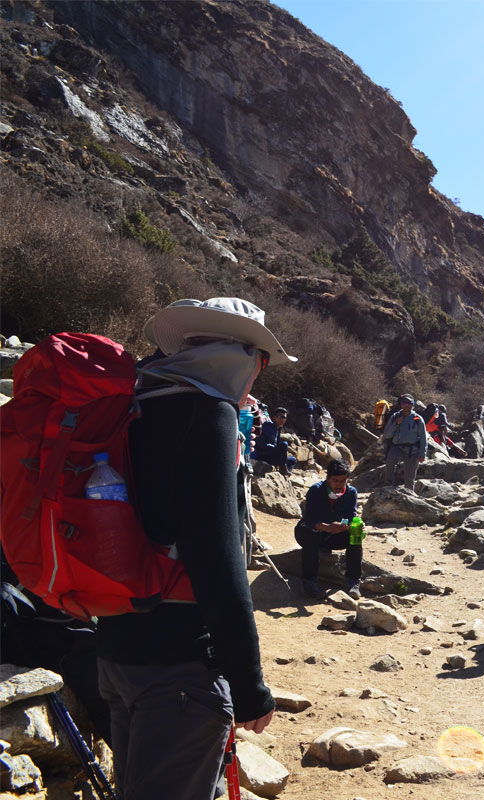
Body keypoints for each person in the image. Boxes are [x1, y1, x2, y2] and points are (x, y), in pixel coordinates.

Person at [98, 297, 293, 800]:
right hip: (180, 668)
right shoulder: (206, 415)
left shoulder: (134, 405)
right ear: (247, 358)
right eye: (263, 363)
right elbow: (218, 563)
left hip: (117, 648)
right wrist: (249, 687)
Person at [294, 459, 363, 600]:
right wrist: (327, 527)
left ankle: (353, 581)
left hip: (334, 535)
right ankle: (309, 582)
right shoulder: (316, 490)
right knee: (311, 533)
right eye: (335, 481)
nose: (339, 485)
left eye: (342, 481)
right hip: (311, 533)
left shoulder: (350, 493)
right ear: (328, 479)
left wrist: (354, 526)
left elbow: (351, 516)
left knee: (356, 535)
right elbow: (308, 519)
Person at [381, 394, 427, 490]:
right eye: (404, 402)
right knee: (390, 459)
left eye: (409, 403)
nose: (407, 405)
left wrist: (422, 453)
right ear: (401, 404)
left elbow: (423, 437)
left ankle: (409, 493)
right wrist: (396, 424)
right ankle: (388, 484)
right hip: (397, 447)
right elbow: (387, 435)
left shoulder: (418, 419)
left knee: (410, 477)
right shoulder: (395, 417)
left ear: (413, 405)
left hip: (412, 450)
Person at [252, 406, 296, 473]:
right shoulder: (267, 427)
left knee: (293, 460)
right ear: (274, 417)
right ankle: (283, 467)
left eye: (284, 417)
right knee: (284, 444)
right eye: (280, 417)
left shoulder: (277, 429)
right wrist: (274, 447)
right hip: (264, 455)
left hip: (272, 454)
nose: (282, 419)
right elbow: (261, 444)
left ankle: (285, 474)